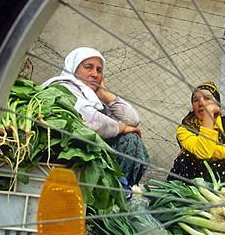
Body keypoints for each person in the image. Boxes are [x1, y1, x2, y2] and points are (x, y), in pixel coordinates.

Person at [43, 47, 149, 187]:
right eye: (88, 67)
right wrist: (121, 128)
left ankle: (121, 191)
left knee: (131, 140)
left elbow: (133, 119)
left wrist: (104, 93)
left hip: (92, 151)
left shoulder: (93, 98)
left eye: (99, 70)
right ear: (73, 69)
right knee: (128, 138)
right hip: (66, 151)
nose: (95, 74)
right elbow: (90, 119)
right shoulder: (62, 87)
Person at [167, 81, 225, 185]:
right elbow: (204, 153)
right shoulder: (185, 129)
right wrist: (208, 117)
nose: (201, 103)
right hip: (193, 177)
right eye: (195, 100)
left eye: (207, 98)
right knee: (187, 158)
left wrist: (200, 151)